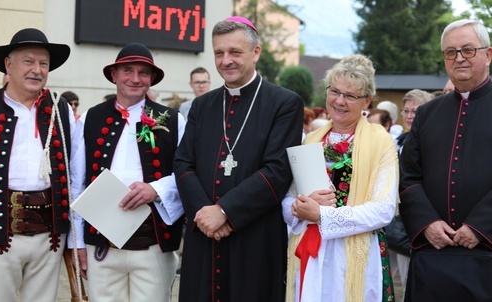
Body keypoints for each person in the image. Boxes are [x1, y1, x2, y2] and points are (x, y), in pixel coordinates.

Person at [173, 16, 303, 301]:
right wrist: (205, 214)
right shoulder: (202, 105)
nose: (225, 60)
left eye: (235, 52)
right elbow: (183, 164)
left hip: (254, 235)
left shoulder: (284, 103)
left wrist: (224, 212)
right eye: (219, 53)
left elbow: (278, 170)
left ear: (256, 53)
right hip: (204, 232)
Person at [68, 42, 185, 302]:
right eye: (127, 71)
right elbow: (77, 183)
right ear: (114, 75)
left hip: (153, 244)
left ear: (152, 79)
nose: (135, 78)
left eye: (143, 73)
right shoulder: (90, 118)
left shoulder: (173, 119)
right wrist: (76, 244)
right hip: (102, 246)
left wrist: (155, 189)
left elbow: (187, 175)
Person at [284, 54, 398, 302]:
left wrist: (322, 215)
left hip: (356, 254)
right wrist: (298, 207)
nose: (339, 101)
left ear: (367, 100)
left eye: (350, 96)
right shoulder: (311, 140)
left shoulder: (380, 141)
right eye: (334, 91)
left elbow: (384, 209)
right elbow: (289, 198)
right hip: (311, 251)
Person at [400, 19, 492, 301]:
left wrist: (479, 226)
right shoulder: (427, 113)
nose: (459, 58)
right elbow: (409, 177)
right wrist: (427, 223)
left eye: (468, 50)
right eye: (450, 52)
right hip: (433, 253)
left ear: (488, 54)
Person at [0, 28, 74, 302]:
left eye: (43, 63)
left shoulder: (61, 110)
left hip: (49, 237)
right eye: (28, 61)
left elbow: (75, 172)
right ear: (9, 65)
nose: (37, 70)